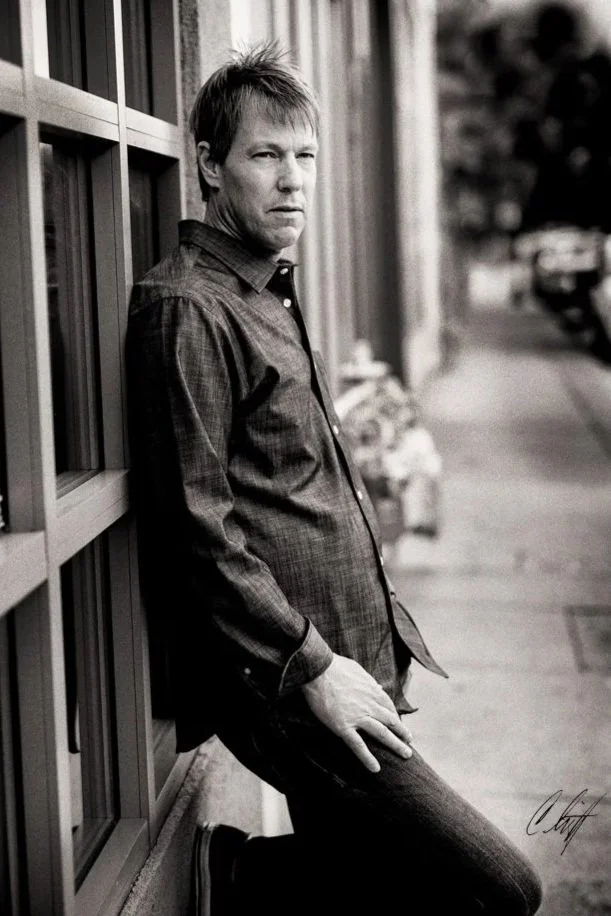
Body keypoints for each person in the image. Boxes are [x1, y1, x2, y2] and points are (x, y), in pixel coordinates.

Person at [127, 43, 542, 916]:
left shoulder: (262, 291)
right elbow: (197, 530)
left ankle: (244, 881)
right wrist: (314, 668)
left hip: (345, 656)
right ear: (209, 164)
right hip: (288, 679)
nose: (293, 180)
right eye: (264, 155)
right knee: (497, 890)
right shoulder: (187, 308)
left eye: (305, 155)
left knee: (364, 880)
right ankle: (238, 878)